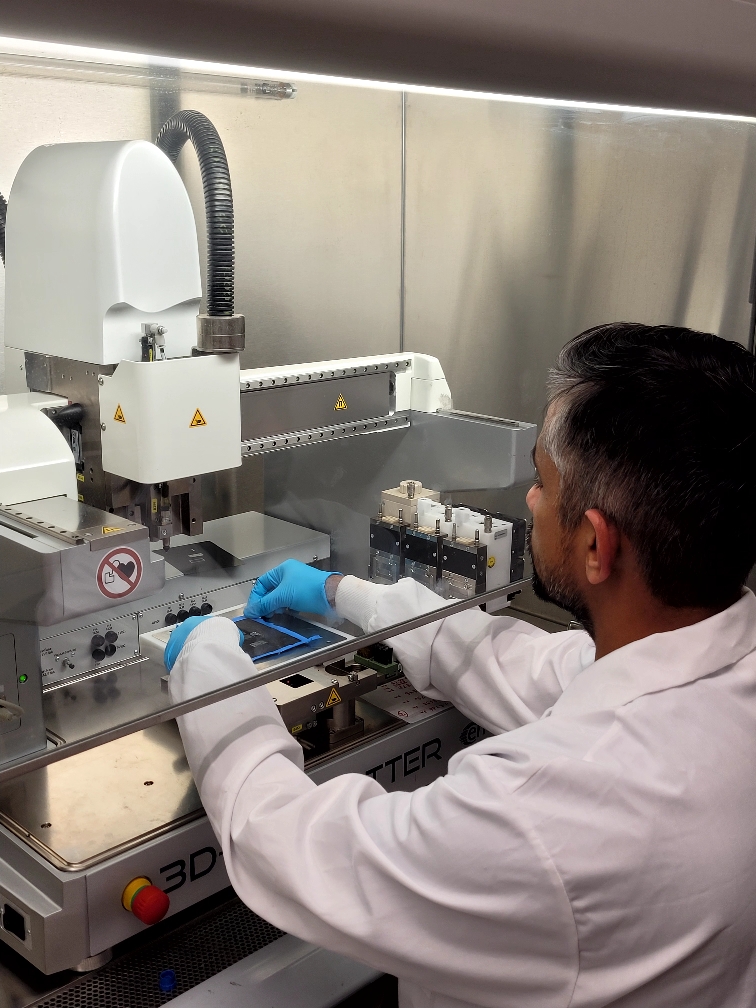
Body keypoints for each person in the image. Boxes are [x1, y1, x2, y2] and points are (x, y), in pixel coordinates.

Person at [165, 323, 756, 1008]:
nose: (532, 501)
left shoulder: (542, 814)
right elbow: (514, 662)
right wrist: (340, 592)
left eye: (543, 480)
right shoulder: (721, 666)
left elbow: (287, 842)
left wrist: (206, 664)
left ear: (597, 544)